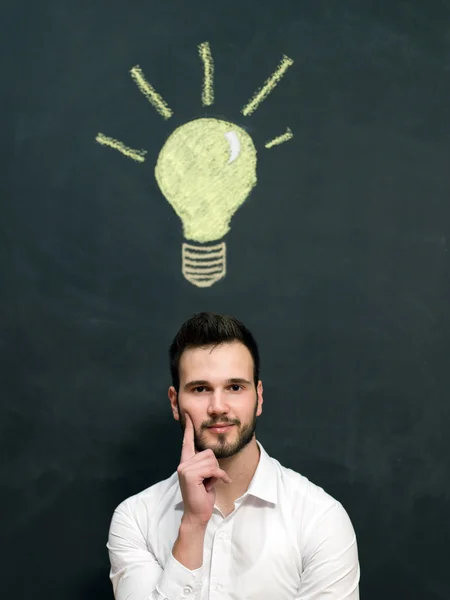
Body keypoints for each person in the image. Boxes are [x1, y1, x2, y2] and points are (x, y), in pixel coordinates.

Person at [107, 312, 360, 599]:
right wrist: (192, 525)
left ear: (259, 397)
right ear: (175, 403)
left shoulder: (320, 518)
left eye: (235, 387)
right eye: (200, 389)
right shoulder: (137, 519)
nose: (218, 406)